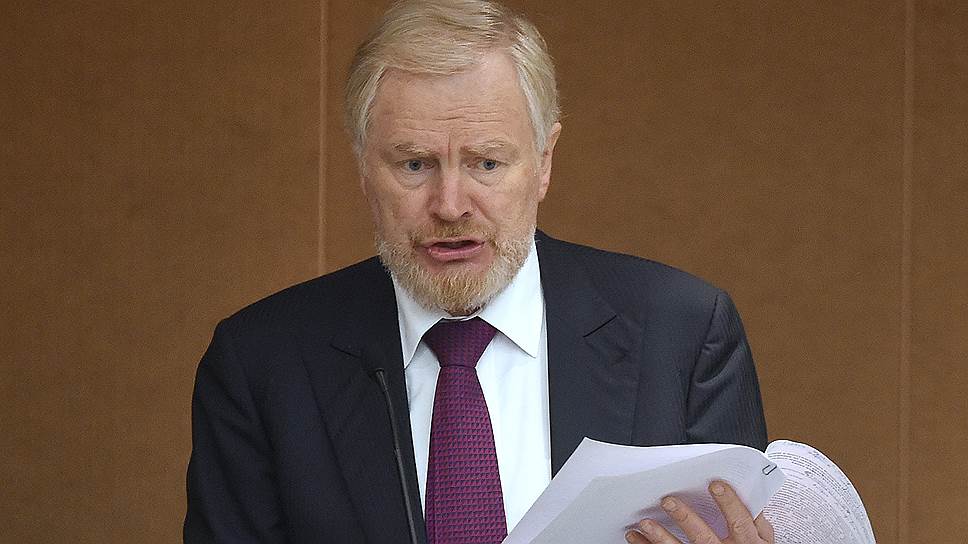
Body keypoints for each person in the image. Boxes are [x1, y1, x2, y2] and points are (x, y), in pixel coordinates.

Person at [184, 1, 771, 543]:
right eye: (415, 164)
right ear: (364, 168)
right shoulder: (261, 362)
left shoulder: (684, 332)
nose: (450, 205)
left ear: (543, 162)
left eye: (486, 163)